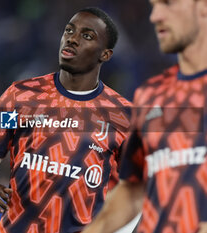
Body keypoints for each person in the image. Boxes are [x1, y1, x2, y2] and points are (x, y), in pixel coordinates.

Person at [0, 7, 132, 233]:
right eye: (69, 31)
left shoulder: (123, 116)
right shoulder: (21, 97)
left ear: (105, 54)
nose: (72, 39)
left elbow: (134, 197)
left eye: (87, 36)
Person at [82, 0, 207, 233]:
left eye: (168, 4)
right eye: (154, 5)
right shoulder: (152, 95)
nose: (155, 15)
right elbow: (132, 190)